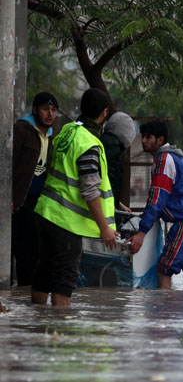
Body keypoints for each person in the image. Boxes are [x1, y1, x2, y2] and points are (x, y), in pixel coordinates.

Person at [32, 88, 117, 307]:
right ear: (104, 113)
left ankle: (37, 324)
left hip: (45, 212)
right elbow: (89, 190)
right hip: (65, 222)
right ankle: (61, 332)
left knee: (44, 271)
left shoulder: (67, 131)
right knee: (63, 278)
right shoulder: (88, 143)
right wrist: (104, 227)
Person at [127, 120, 183, 289]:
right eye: (143, 137)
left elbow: (157, 199)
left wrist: (141, 233)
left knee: (164, 267)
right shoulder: (170, 159)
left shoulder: (164, 160)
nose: (143, 141)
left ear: (160, 139)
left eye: (148, 137)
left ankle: (164, 312)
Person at [11, 92, 59, 286]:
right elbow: (9, 163)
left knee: (32, 253)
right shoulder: (22, 129)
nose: (50, 114)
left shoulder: (51, 136)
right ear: (35, 110)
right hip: (16, 200)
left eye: (54, 110)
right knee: (14, 249)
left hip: (37, 203)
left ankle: (25, 295)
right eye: (45, 109)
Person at [99, 111, 136, 211]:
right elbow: (110, 180)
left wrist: (118, 204)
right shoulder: (113, 147)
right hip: (104, 207)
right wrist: (112, 205)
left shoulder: (104, 141)